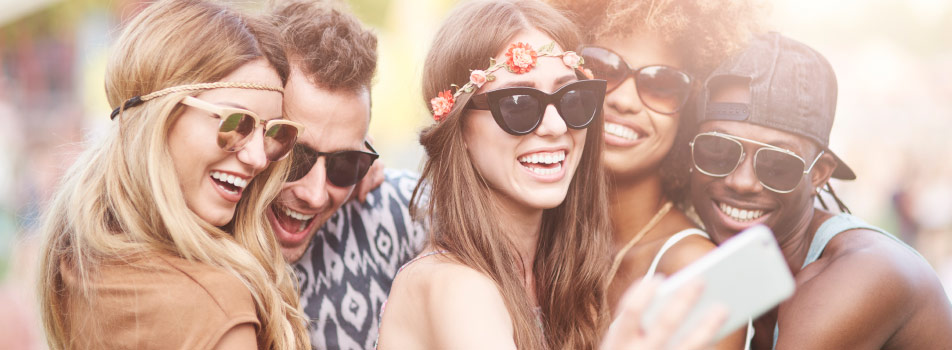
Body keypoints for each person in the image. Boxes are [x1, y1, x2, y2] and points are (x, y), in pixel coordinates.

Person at [377, 1, 725, 349]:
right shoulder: (456, 285)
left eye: (572, 98)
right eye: (519, 104)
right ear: (461, 128)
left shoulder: (566, 284)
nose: (556, 126)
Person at [36, 1, 310, 348]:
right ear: (159, 119)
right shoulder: (215, 306)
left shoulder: (76, 263)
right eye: (236, 123)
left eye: (275, 134)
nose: (259, 158)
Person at [689, 32, 952, 349]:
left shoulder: (860, 274)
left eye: (777, 165)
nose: (741, 182)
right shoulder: (743, 272)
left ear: (818, 174)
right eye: (718, 151)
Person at [267, 1, 425, 348]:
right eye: (296, 156)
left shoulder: (403, 211)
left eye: (344, 162)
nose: (316, 194)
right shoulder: (189, 228)